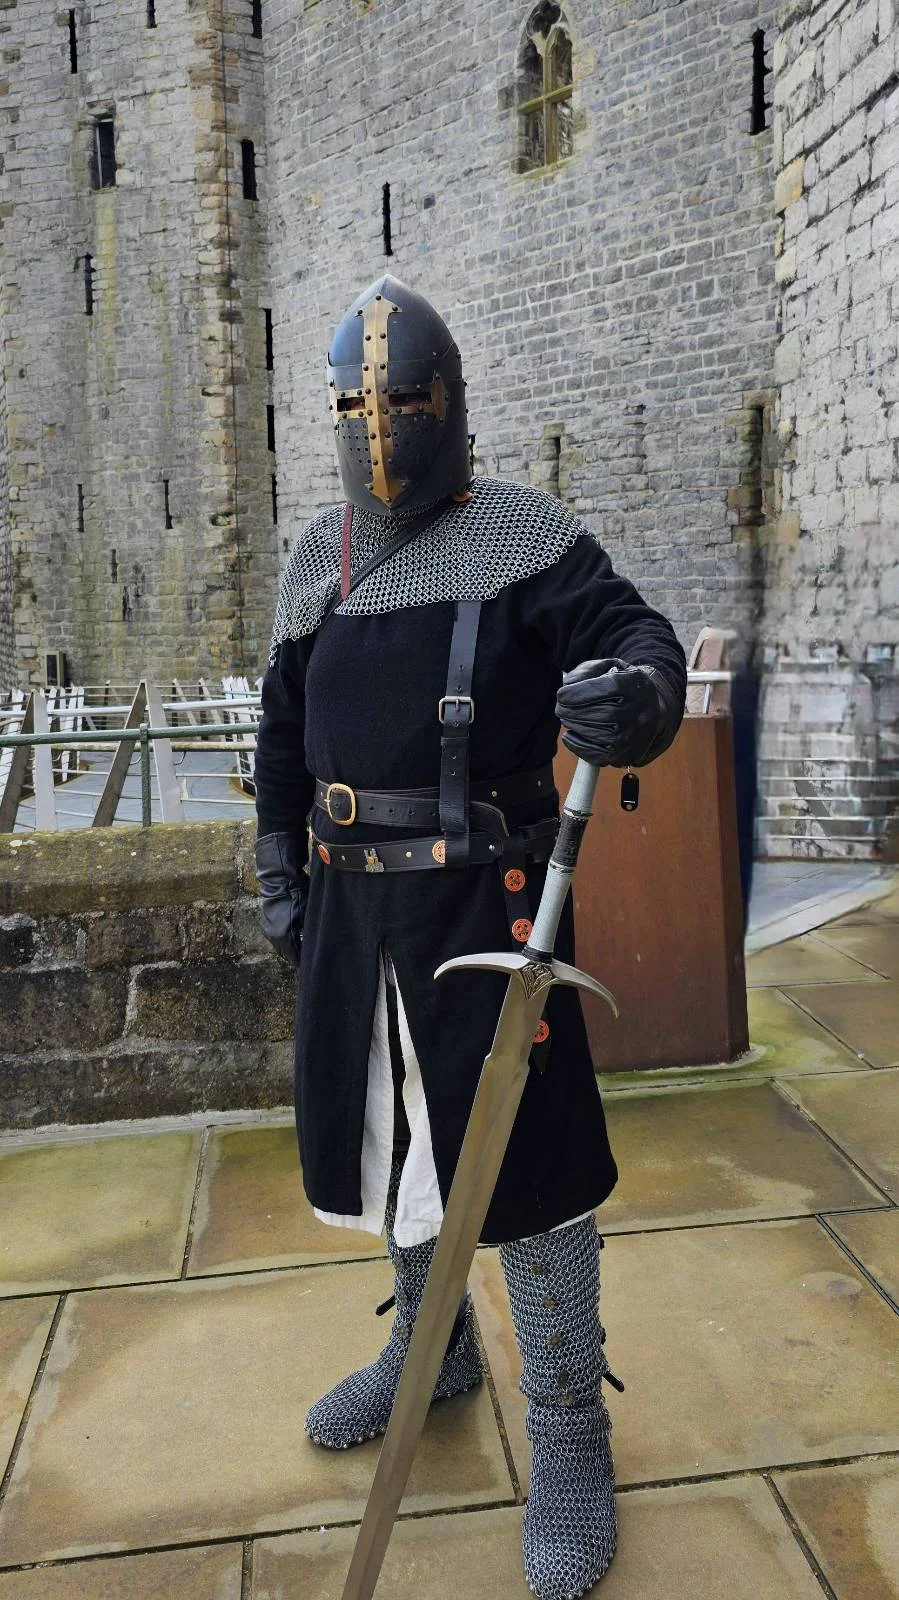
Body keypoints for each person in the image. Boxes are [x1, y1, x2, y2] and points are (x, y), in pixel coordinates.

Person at [254, 274, 686, 1600]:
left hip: (484, 914)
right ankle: (432, 1349)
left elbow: (633, 636)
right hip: (351, 914)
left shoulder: (521, 536)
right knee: (393, 1156)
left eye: (403, 398)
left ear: (448, 406)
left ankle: (565, 1435)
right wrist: (278, 869)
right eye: (351, 402)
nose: (377, 424)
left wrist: (633, 691)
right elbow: (278, 737)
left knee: (533, 1183)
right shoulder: (311, 558)